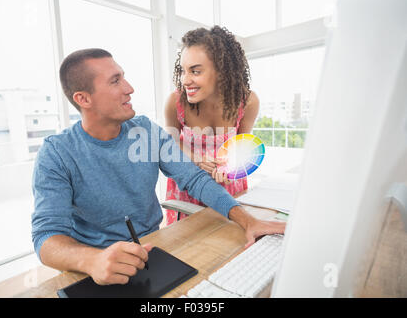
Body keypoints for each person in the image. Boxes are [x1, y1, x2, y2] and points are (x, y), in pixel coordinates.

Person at [31, 48, 285, 287]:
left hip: (152, 250)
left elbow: (195, 179)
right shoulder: (57, 153)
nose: (129, 89)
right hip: (95, 266)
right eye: (115, 81)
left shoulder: (145, 131)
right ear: (83, 98)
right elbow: (47, 238)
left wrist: (248, 220)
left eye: (124, 78)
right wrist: (91, 260)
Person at [165, 26, 260, 225]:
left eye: (195, 71)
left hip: (227, 184)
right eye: (183, 71)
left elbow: (242, 146)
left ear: (222, 71)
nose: (185, 80)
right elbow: (170, 144)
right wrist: (197, 159)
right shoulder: (176, 102)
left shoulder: (247, 101)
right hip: (189, 186)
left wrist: (229, 164)